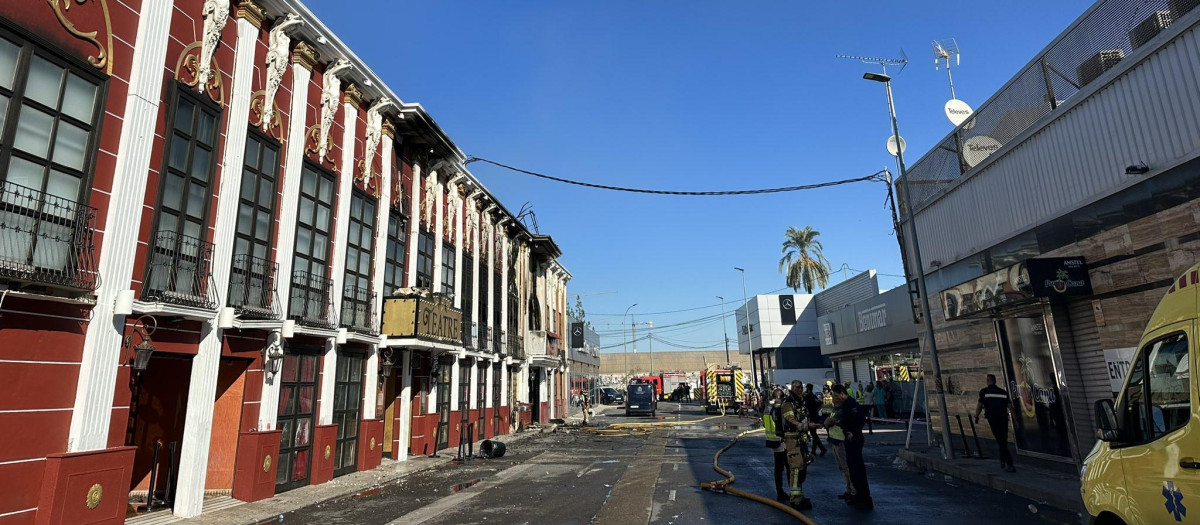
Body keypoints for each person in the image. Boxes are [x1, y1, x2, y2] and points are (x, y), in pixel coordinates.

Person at [827, 383, 872, 511]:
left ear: (842, 394)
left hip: (854, 440)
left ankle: (865, 498)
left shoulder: (851, 405)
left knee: (858, 470)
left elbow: (861, 419)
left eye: (836, 395)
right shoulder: (843, 405)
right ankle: (857, 495)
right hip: (846, 439)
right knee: (852, 470)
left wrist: (854, 432)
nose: (834, 398)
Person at [781, 381, 818, 510]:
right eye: (797, 387)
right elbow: (791, 420)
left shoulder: (799, 402)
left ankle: (799, 497)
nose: (800, 389)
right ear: (792, 388)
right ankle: (795, 499)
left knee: (802, 468)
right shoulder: (788, 403)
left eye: (801, 387)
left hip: (801, 439)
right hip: (792, 440)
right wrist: (806, 426)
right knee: (795, 469)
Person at [975, 373, 1017, 473]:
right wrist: (1015, 420)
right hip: (1003, 419)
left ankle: (1010, 464)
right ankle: (1002, 461)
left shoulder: (984, 392)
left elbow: (980, 406)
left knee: (1001, 441)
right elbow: (1011, 407)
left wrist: (976, 416)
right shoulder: (1003, 392)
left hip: (993, 419)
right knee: (1003, 439)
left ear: (988, 381)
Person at [763, 387, 789, 502]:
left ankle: (780, 491)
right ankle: (791, 492)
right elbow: (782, 423)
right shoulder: (777, 408)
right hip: (781, 441)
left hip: (771, 441)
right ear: (779, 397)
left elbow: (765, 423)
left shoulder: (767, 408)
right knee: (788, 467)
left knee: (778, 469)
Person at [803, 384, 827, 456]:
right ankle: (814, 450)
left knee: (813, 433)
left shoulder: (809, 396)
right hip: (814, 415)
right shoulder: (813, 396)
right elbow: (819, 403)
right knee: (814, 433)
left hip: (812, 416)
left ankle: (822, 448)